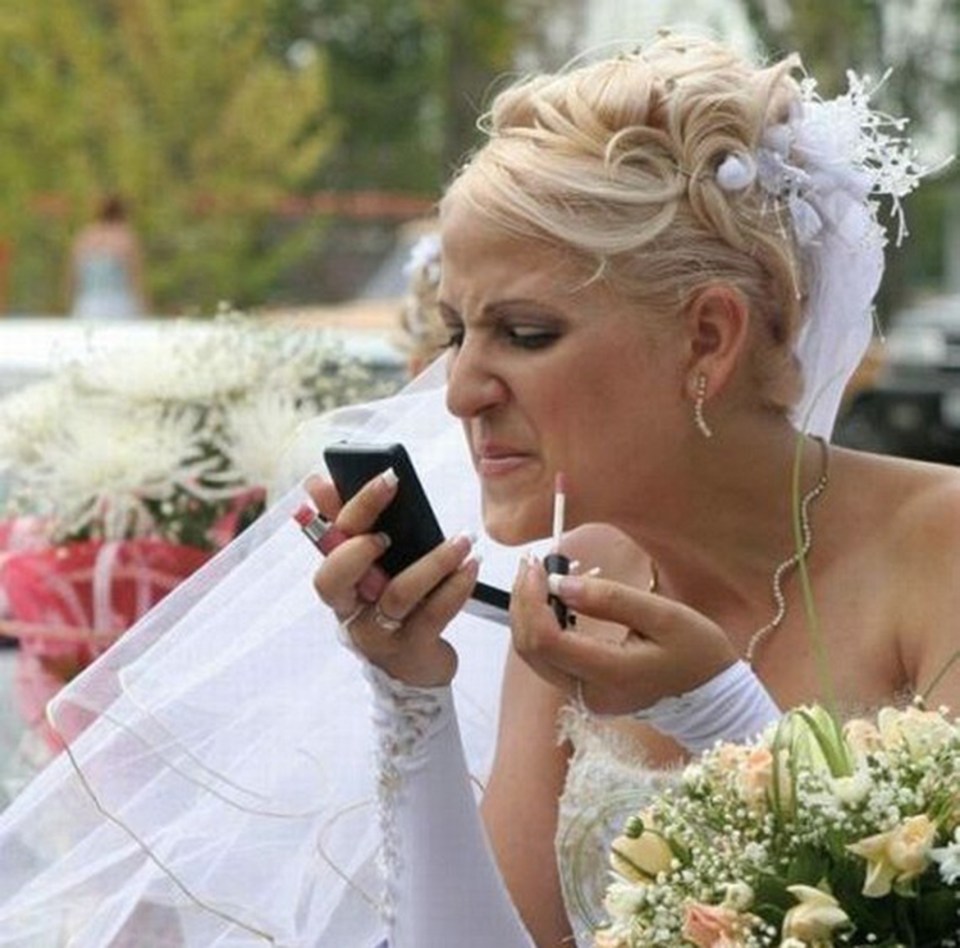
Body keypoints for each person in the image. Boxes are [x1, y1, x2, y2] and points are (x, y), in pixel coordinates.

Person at [0, 32, 953, 948]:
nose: (459, 390)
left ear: (708, 337)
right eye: (458, 333)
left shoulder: (939, 549)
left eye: (526, 334)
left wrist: (718, 713)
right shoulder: (572, 582)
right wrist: (409, 693)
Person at [67, 194, 149, 319]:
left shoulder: (85, 237)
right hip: (119, 304)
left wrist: (70, 301)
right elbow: (135, 277)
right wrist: (144, 306)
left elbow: (73, 276)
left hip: (88, 303)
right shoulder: (125, 238)